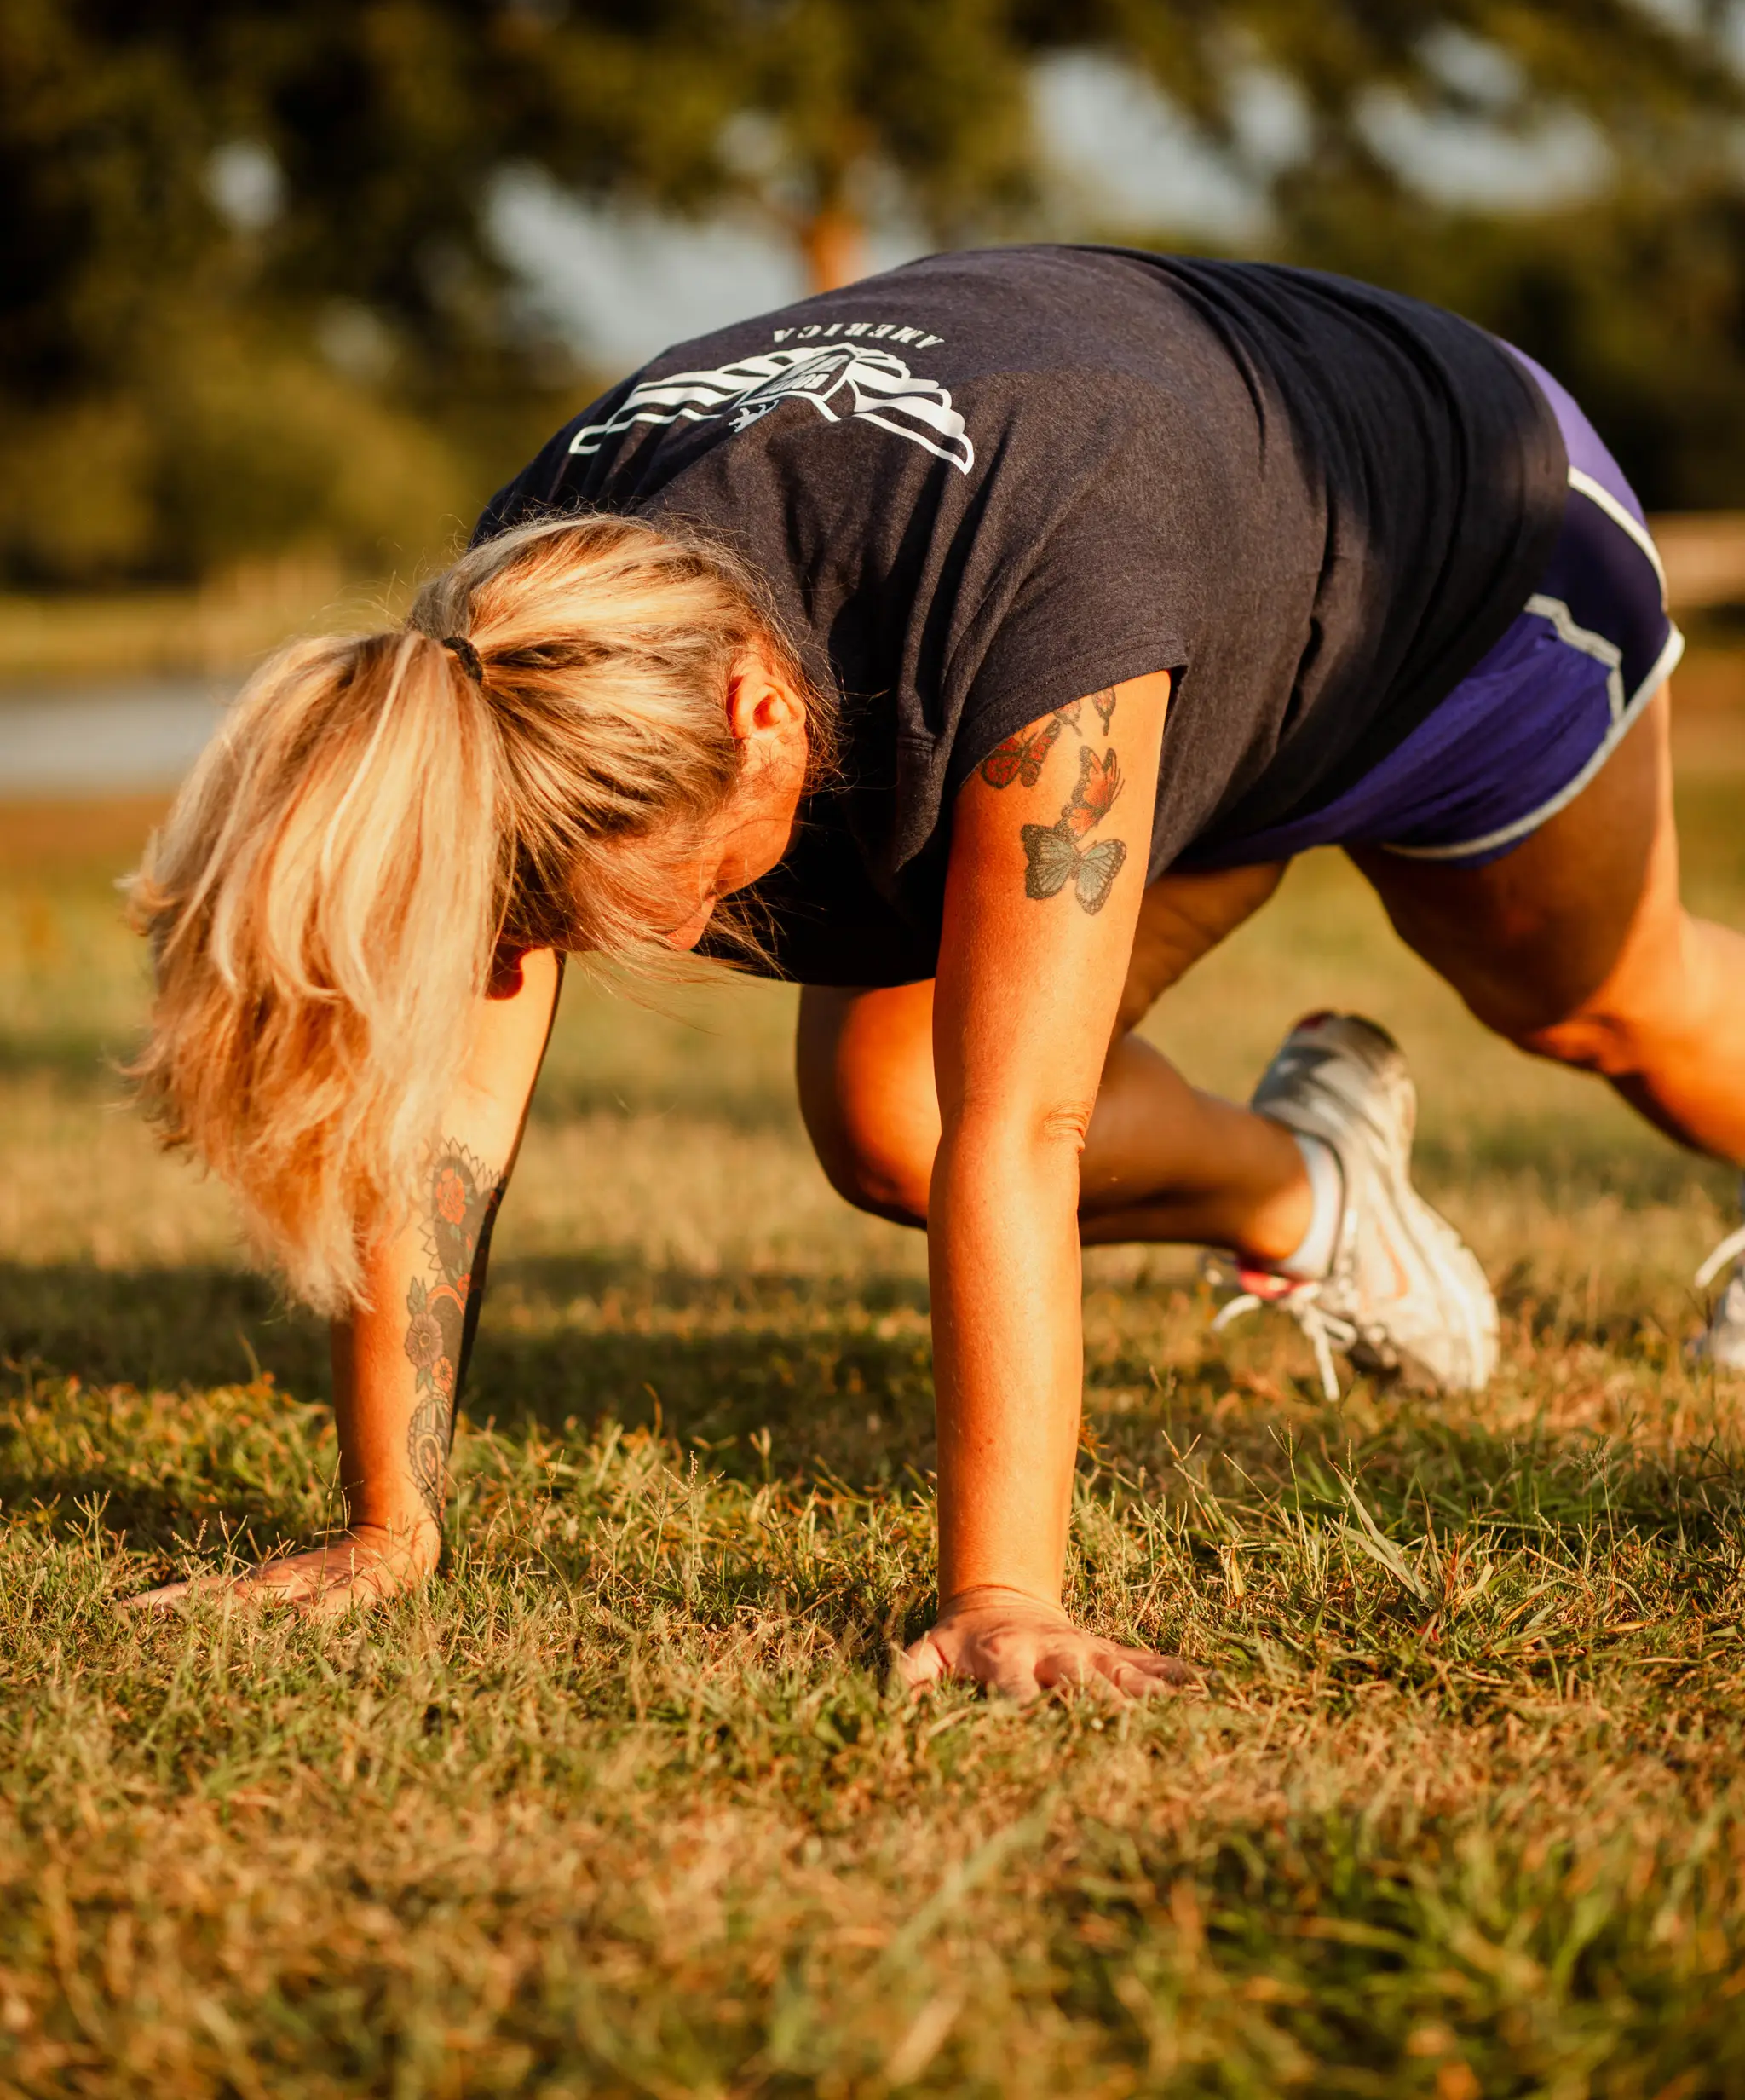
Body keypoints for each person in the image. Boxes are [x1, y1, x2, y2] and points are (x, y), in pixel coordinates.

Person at [127, 246, 1745, 1700]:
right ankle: (1313, 1195)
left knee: (1608, 1007)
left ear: (763, 717)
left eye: (664, 900)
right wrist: (387, 1530)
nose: (659, 950)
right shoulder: (529, 647)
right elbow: (447, 1122)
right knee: (886, 1117)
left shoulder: (1033, 602)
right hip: (1188, 576)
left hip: (1445, 545)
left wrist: (999, 1597)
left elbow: (1024, 1126)